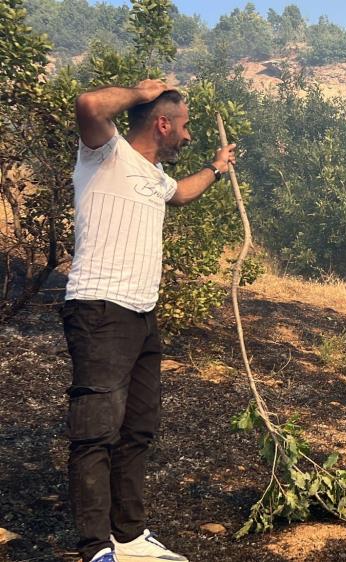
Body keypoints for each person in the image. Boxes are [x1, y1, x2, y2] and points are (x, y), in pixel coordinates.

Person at [61, 79, 236, 562]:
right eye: (184, 126)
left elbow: (180, 194)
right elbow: (91, 104)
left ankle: (129, 536)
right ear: (162, 123)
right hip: (100, 309)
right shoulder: (105, 153)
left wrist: (217, 170)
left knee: (138, 428)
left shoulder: (154, 175)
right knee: (95, 431)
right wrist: (141, 90)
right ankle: (96, 549)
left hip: (141, 313)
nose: (189, 135)